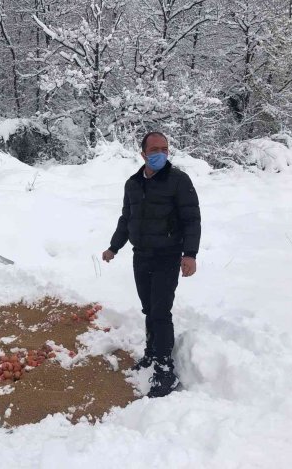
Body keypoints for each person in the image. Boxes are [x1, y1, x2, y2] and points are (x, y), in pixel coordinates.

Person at [102, 132, 201, 398]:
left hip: (167, 256)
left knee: (160, 311)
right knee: (148, 309)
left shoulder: (179, 181)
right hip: (141, 255)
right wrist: (114, 247)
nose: (161, 153)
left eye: (165, 149)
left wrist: (189, 254)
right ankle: (151, 353)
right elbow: (127, 218)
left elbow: (192, 219)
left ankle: (165, 369)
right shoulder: (133, 184)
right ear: (143, 153)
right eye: (155, 149)